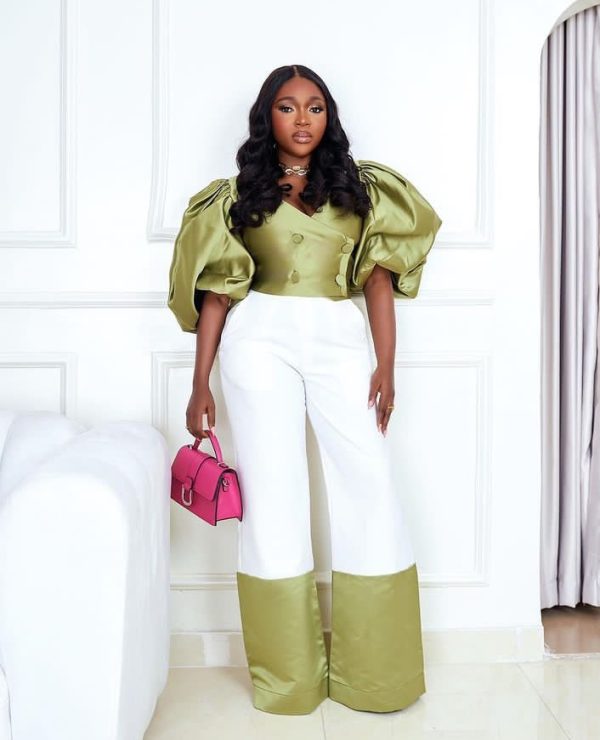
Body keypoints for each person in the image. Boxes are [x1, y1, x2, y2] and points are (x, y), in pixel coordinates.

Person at [167, 63, 443, 716]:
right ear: (268, 116)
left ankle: (376, 675)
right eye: (288, 107)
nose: (302, 119)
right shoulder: (236, 194)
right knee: (273, 494)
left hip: (339, 340)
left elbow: (378, 280)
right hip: (257, 342)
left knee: (368, 483)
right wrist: (200, 382)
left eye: (314, 107)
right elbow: (218, 292)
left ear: (329, 116)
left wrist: (386, 365)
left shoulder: (362, 188)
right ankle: (287, 680)